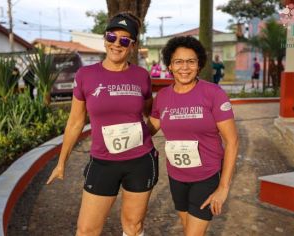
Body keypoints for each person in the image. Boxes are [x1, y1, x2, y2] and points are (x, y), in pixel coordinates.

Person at [46, 12, 158, 236]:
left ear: (133, 46)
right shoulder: (86, 75)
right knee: (87, 230)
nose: (117, 44)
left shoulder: (141, 75)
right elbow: (76, 122)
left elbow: (151, 112)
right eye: (112, 37)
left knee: (133, 226)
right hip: (103, 162)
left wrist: (144, 135)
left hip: (139, 161)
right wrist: (61, 163)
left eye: (125, 40)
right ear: (105, 38)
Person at [148, 36, 239, 235]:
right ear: (170, 66)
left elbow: (232, 141)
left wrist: (223, 187)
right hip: (176, 176)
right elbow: (152, 126)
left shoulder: (213, 93)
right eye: (178, 61)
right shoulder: (162, 97)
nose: (185, 67)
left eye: (191, 61)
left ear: (199, 65)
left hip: (206, 176)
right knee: (187, 227)